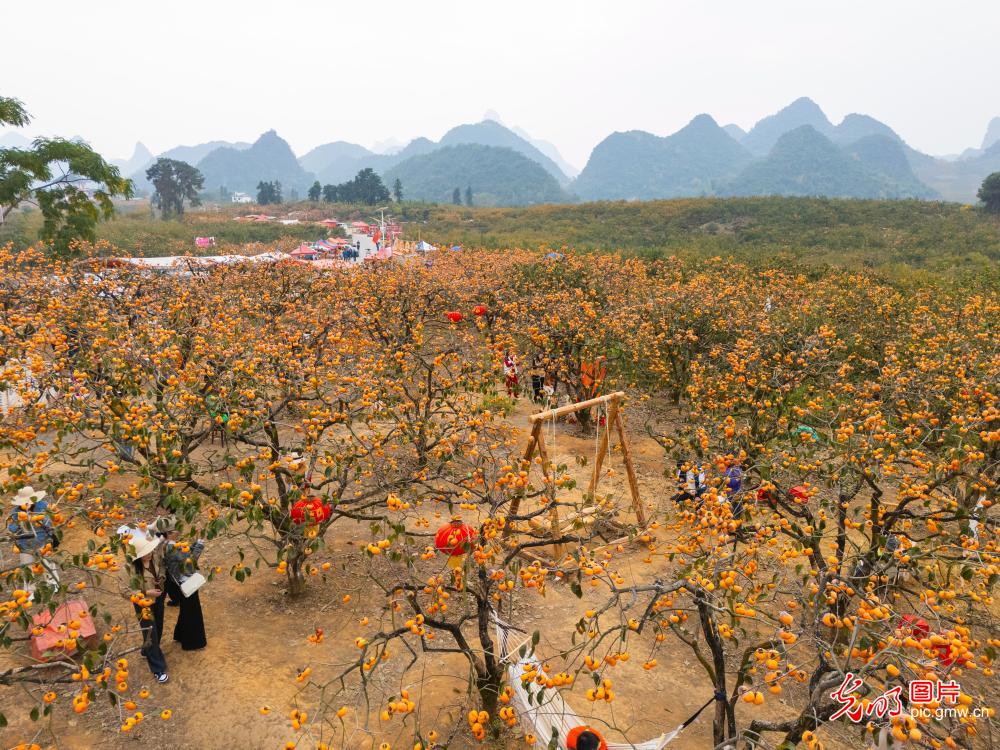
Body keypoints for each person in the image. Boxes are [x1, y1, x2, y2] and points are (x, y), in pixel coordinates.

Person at [121, 526, 169, 683]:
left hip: (159, 598)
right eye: (145, 554)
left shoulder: (154, 556)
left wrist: (161, 577)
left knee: (159, 626)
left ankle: (147, 650)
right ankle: (158, 668)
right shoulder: (129, 568)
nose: (149, 555)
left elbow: (162, 565)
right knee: (150, 632)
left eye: (149, 551)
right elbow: (125, 590)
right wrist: (146, 593)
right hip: (143, 604)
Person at [7, 486, 59, 598]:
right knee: (27, 568)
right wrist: (21, 523)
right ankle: (30, 591)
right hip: (25, 545)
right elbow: (11, 528)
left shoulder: (43, 506)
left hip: (43, 541)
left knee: (47, 564)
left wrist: (36, 519)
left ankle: (53, 583)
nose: (27, 503)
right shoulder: (15, 512)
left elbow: (49, 522)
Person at [163, 527, 207, 651]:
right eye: (176, 529)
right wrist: (200, 544)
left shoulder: (169, 545)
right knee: (192, 613)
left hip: (181, 583)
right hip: (186, 583)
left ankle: (180, 635)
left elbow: (186, 553)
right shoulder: (172, 548)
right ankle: (192, 643)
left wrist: (196, 541)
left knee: (186, 611)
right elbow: (190, 562)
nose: (179, 531)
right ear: (169, 533)